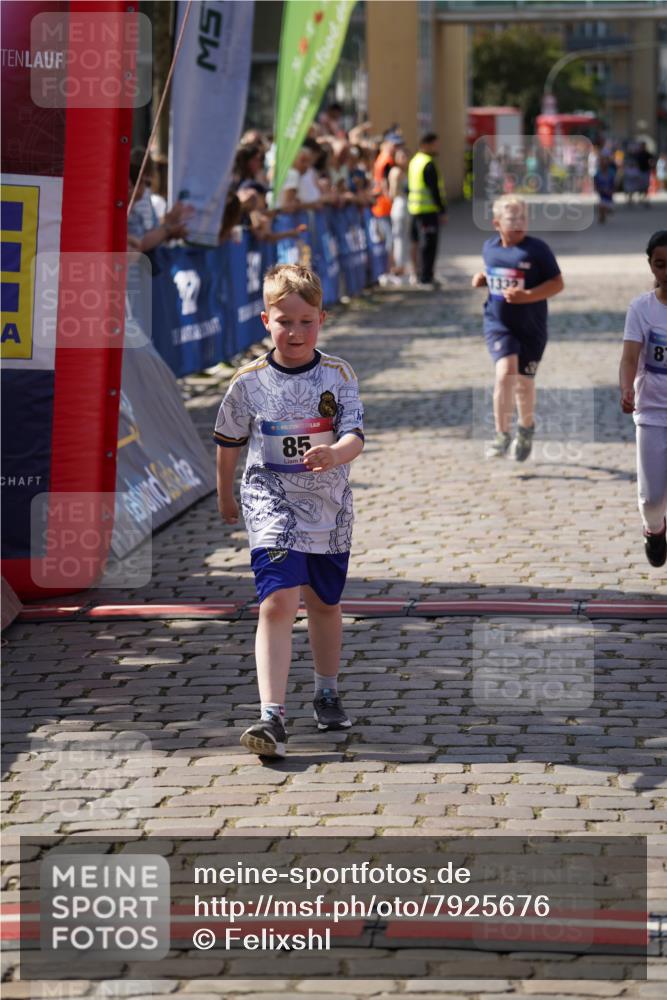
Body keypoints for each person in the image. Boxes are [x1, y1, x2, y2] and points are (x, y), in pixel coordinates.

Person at [214, 264, 365, 758]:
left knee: (323, 602)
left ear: (321, 319)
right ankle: (271, 715)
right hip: (269, 501)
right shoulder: (249, 382)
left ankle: (326, 690)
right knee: (277, 602)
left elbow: (354, 435)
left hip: (328, 505)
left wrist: (335, 455)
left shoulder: (338, 374)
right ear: (265, 320)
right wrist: (225, 492)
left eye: (306, 322)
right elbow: (229, 440)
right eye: (285, 321)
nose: (295, 332)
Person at [471, 195, 564, 461]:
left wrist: (528, 295)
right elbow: (494, 273)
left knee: (524, 383)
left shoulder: (537, 250)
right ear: (497, 223)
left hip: (532, 327)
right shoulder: (490, 248)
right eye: (513, 219)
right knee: (504, 373)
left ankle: (526, 427)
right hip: (498, 323)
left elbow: (557, 283)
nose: (519, 223)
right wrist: (481, 278)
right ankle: (502, 434)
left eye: (523, 217)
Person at [619, 230, 667, 567]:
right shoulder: (642, 308)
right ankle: (654, 529)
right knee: (652, 499)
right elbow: (629, 357)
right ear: (651, 267)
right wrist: (625, 388)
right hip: (651, 411)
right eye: (660, 265)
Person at [407, 132, 447, 288]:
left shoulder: (415, 161)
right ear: (426, 144)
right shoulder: (428, 163)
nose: (438, 147)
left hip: (415, 210)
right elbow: (434, 190)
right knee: (429, 245)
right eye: (435, 144)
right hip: (427, 211)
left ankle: (422, 275)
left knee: (419, 243)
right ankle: (426, 277)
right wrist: (442, 210)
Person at [388, 146, 410, 280]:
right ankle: (398, 269)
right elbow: (393, 192)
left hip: (404, 204)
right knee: (399, 239)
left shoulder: (403, 171)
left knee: (402, 238)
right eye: (402, 157)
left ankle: (402, 268)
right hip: (400, 205)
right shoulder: (396, 172)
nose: (405, 159)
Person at [594, 156, 616, 224]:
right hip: (602, 194)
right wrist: (599, 189)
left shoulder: (611, 173)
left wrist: (612, 191)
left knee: (608, 208)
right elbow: (596, 184)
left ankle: (608, 210)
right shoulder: (598, 173)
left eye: (605, 164)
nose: (604, 165)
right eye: (602, 164)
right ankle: (602, 215)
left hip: (609, 196)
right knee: (602, 206)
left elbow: (614, 184)